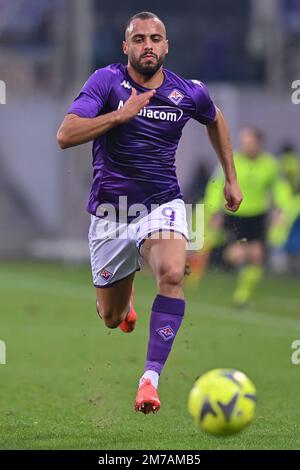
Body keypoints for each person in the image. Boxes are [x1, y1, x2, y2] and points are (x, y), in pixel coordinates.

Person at [56, 11, 242, 414]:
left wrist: (231, 176)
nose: (147, 46)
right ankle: (126, 300)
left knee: (174, 273)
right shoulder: (105, 81)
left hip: (163, 202)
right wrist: (119, 116)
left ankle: (149, 379)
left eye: (155, 39)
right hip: (110, 211)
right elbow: (65, 134)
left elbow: (215, 118)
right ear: (126, 47)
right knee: (110, 317)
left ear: (166, 46)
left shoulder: (187, 91)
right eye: (138, 39)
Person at [191, 127, 291, 307]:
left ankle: (242, 296)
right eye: (243, 143)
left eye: (249, 143)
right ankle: (221, 259)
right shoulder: (231, 161)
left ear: (259, 144)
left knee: (257, 256)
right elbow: (215, 185)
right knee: (238, 255)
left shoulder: (270, 164)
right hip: (233, 215)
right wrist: (213, 210)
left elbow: (279, 187)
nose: (245, 146)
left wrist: (282, 209)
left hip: (257, 216)